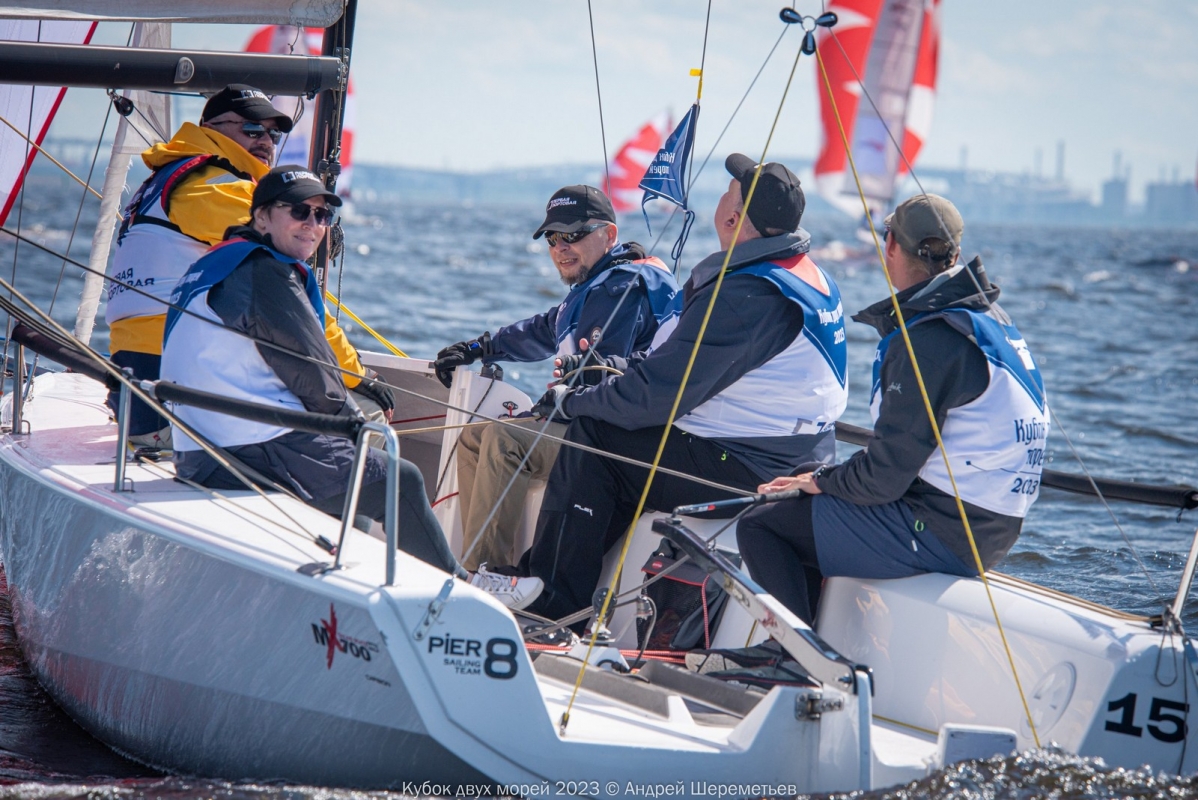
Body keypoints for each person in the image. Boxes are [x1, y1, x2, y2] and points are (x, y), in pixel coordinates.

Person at [159, 166, 542, 609]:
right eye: (299, 211)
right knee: (396, 477)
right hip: (247, 448)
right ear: (261, 217)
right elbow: (314, 374)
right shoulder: (264, 273)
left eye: (322, 216)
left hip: (199, 448)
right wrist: (353, 425)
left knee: (353, 472)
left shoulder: (216, 263)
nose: (313, 224)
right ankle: (462, 593)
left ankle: (338, 585)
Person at [500, 155, 849, 621]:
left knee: (594, 435)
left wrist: (573, 401)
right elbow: (681, 369)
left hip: (749, 468)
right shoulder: (807, 276)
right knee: (614, 426)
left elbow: (653, 399)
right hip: (795, 454)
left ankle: (553, 601)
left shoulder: (745, 296)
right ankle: (559, 583)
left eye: (727, 193)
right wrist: (613, 370)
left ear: (732, 218)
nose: (720, 198)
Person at [736, 194, 1049, 625]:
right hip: (993, 528)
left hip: (948, 531)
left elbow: (884, 478)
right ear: (955, 253)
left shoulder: (929, 340)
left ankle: (791, 655)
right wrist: (820, 481)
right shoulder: (989, 318)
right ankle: (815, 636)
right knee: (806, 489)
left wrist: (822, 481)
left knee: (762, 523)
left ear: (891, 246)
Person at [105, 84, 387, 449]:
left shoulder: (166, 178)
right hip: (176, 404)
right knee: (368, 418)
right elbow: (291, 303)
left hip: (141, 392)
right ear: (210, 128)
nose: (266, 141)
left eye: (273, 134)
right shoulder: (217, 187)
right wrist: (355, 375)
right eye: (252, 129)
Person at [434, 185, 681, 572]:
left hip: (624, 437)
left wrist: (558, 398)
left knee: (503, 440)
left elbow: (601, 381)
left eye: (574, 234)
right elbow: (542, 329)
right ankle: (476, 564)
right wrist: (479, 347)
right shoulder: (597, 284)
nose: (561, 247)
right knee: (473, 438)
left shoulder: (621, 288)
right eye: (552, 238)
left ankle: (486, 574)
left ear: (609, 235)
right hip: (593, 421)